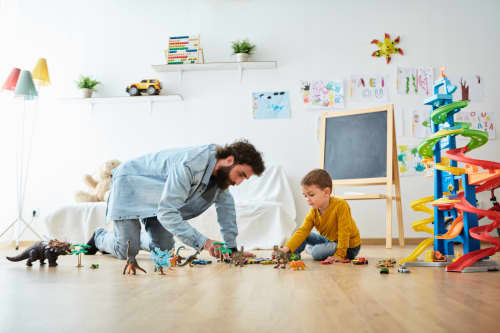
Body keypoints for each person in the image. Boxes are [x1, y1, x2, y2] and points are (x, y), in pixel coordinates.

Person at [86, 139, 265, 270]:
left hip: (159, 200)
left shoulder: (221, 177)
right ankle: (99, 237)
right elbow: (168, 212)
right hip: (130, 186)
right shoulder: (190, 165)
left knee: (164, 250)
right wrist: (204, 243)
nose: (239, 182)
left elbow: (226, 210)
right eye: (241, 174)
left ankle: (135, 239)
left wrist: (232, 249)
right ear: (229, 160)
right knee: (126, 251)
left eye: (245, 178)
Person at [280, 169, 361, 262]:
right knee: (304, 235)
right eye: (305, 196)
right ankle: (292, 254)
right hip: (330, 241)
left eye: (311, 195)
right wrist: (287, 248)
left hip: (348, 247)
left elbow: (344, 232)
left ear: (326, 192)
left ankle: (312, 249)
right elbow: (303, 231)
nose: (307, 199)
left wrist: (340, 255)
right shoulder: (313, 212)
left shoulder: (341, 205)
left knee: (316, 252)